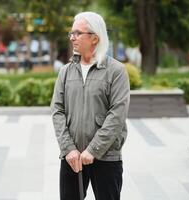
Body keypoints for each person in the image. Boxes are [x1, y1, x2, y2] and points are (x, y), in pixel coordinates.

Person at [51, 11, 130, 200]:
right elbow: (57, 111)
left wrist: (93, 150)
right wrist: (68, 148)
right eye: (71, 33)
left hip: (106, 156)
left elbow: (117, 116)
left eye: (77, 33)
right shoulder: (65, 72)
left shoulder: (116, 72)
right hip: (72, 157)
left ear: (95, 38)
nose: (72, 38)